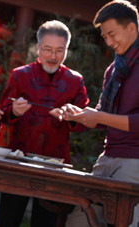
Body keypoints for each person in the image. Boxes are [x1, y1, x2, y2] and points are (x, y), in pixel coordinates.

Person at [0, 20, 90, 227]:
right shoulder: (20, 75)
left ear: (66, 50)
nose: (53, 56)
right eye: (47, 49)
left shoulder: (75, 80)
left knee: (46, 222)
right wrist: (13, 111)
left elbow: (84, 122)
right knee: (8, 220)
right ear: (38, 48)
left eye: (59, 50)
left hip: (55, 163)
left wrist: (72, 117)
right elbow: (2, 113)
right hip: (19, 159)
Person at [57, 1, 139, 226]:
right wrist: (79, 114)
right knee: (79, 219)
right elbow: (102, 116)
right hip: (108, 155)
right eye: (105, 37)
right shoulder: (113, 69)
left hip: (135, 160)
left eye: (112, 34)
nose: (109, 42)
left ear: (132, 28)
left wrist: (99, 116)